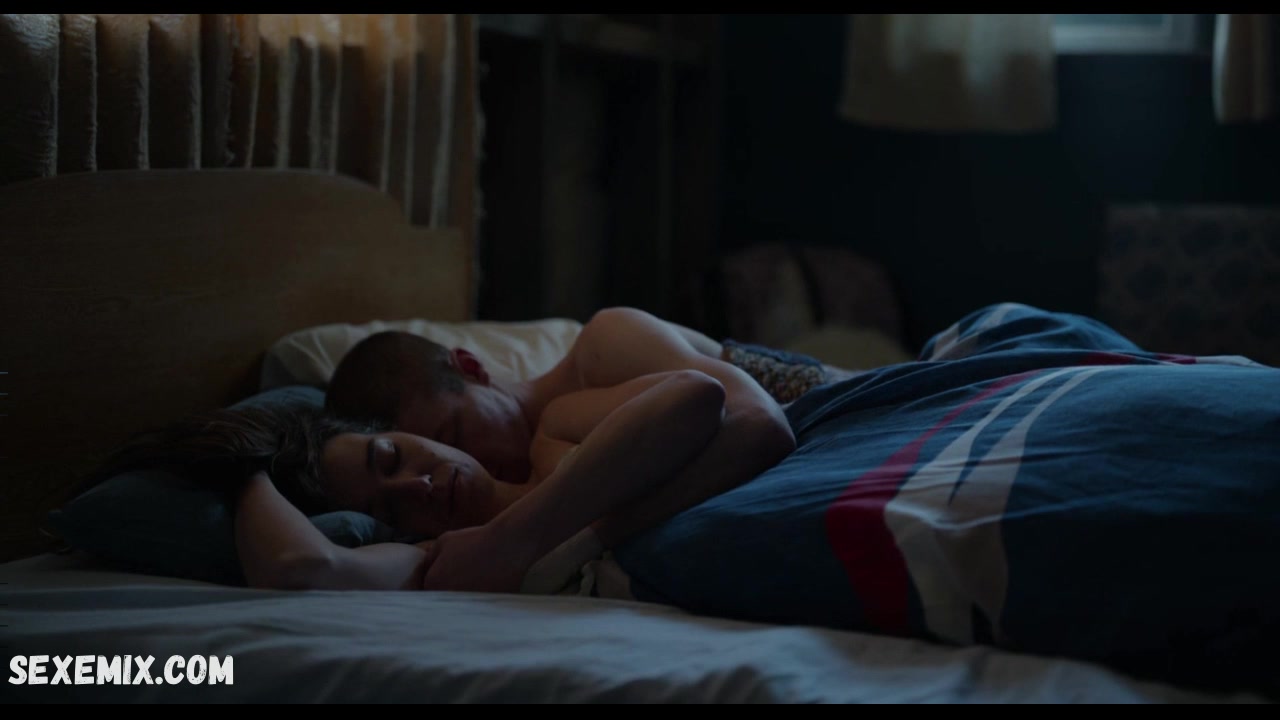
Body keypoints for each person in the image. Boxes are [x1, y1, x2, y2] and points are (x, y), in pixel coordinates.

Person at [100, 367, 733, 593]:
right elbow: (302, 566)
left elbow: (699, 395)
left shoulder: (555, 431)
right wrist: (246, 466)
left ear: (409, 430)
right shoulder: (441, 559)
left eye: (391, 456)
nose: (415, 488)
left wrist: (520, 536)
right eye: (390, 510)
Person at [324, 308, 801, 553]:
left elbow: (761, 425)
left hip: (824, 409)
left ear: (470, 367)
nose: (462, 463)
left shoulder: (605, 347)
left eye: (454, 434)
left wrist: (565, 532)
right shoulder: (518, 483)